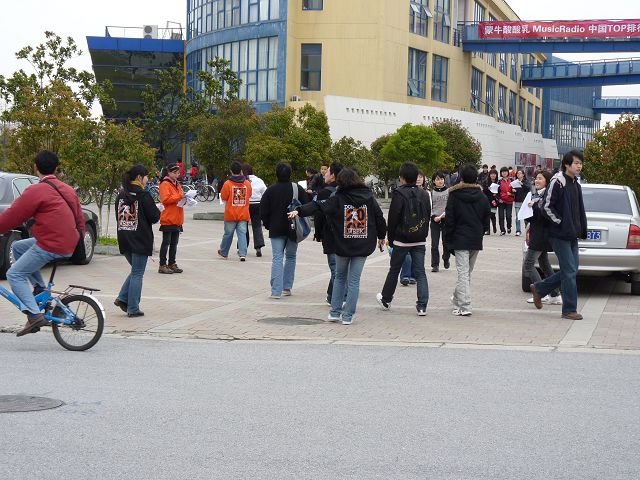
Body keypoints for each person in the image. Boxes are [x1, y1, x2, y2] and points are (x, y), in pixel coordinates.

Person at [0, 150, 85, 336]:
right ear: (56, 168)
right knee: (18, 247)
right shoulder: (68, 189)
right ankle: (39, 288)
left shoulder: (36, 190)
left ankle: (34, 315)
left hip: (51, 244)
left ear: (35, 167)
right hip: (68, 242)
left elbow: (14, 215)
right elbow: (80, 220)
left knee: (14, 274)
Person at [289, 168, 386, 325]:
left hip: (342, 244)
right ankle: (348, 316)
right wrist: (381, 236)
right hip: (362, 244)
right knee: (354, 281)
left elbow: (318, 206)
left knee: (340, 277)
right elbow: (379, 216)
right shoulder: (368, 197)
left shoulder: (338, 198)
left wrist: (299, 211)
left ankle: (334, 312)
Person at [530, 150, 587, 320]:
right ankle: (569, 309)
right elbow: (546, 207)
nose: (579, 166)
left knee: (572, 269)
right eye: (576, 163)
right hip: (559, 234)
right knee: (569, 271)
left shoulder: (575, 183)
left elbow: (578, 210)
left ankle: (539, 288)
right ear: (566, 164)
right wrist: (560, 223)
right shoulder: (558, 181)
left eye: (580, 163)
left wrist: (580, 228)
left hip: (572, 234)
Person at [376, 162, 430, 316]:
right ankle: (422, 306)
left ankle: (386, 299)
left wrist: (391, 238)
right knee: (420, 272)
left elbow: (393, 218)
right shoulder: (424, 194)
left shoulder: (399, 193)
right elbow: (427, 214)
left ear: (402, 178)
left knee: (394, 270)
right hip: (419, 239)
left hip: (402, 239)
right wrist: (423, 232)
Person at [444, 164, 491, 316]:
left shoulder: (454, 195)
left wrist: (447, 239)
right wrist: (480, 232)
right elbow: (486, 219)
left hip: (459, 238)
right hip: (475, 239)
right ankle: (457, 298)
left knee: (463, 273)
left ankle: (465, 306)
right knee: (466, 273)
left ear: (461, 178)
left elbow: (449, 220)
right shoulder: (482, 197)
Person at [115, 164, 161, 317]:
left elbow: (118, 216)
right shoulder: (143, 195)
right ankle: (133, 308)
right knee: (137, 273)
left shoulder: (121, 195)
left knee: (135, 270)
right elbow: (154, 217)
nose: (148, 179)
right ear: (140, 177)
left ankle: (122, 298)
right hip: (140, 239)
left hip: (124, 238)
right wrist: (158, 209)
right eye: (146, 176)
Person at [260, 162, 308, 298]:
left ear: (276, 174)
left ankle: (276, 291)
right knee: (291, 256)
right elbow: (306, 205)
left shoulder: (270, 190)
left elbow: (263, 211)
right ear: (290, 174)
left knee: (277, 257)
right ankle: (287, 287)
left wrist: (268, 224)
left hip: (276, 228)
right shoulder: (297, 188)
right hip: (293, 227)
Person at [523, 171, 562, 306]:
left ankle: (540, 292)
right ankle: (555, 295)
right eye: (536, 178)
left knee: (528, 264)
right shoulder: (536, 195)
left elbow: (545, 215)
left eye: (540, 178)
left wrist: (534, 207)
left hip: (541, 235)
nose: (537, 181)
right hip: (538, 233)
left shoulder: (546, 196)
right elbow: (534, 217)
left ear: (547, 181)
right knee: (544, 264)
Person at [314, 162, 344, 304]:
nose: (324, 174)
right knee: (340, 268)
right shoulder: (346, 191)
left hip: (330, 235)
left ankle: (340, 297)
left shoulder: (324, 193)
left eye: (327, 172)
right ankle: (332, 295)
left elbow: (319, 214)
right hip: (345, 235)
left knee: (335, 269)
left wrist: (318, 234)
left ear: (332, 176)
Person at [218, 161, 252, 261]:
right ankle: (242, 254)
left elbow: (223, 197)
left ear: (231, 171)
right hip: (243, 213)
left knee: (228, 234)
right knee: (242, 234)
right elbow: (249, 195)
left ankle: (224, 252)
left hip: (230, 214)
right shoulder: (247, 183)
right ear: (241, 171)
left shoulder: (227, 184)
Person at [158, 163, 185, 274]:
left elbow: (180, 196)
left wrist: (185, 199)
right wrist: (180, 197)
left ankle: (172, 263)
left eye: (178, 173)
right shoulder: (165, 184)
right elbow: (165, 199)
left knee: (174, 243)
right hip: (168, 218)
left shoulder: (177, 184)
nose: (177, 175)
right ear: (169, 173)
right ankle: (162, 265)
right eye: (175, 173)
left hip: (177, 218)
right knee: (166, 243)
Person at [243, 163, 267, 257]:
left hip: (246, 205)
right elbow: (265, 192)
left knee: (243, 226)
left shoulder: (243, 181)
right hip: (257, 205)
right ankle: (258, 247)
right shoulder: (259, 180)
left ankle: (242, 247)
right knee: (257, 226)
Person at [430, 170, 450, 272]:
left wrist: (445, 215)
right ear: (434, 181)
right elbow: (429, 207)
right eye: (438, 179)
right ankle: (435, 264)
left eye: (442, 179)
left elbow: (451, 206)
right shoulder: (431, 193)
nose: (440, 181)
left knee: (446, 242)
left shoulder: (449, 191)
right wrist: (434, 217)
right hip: (435, 220)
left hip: (446, 220)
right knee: (434, 244)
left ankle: (446, 258)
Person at [497, 166, 515, 235]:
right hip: (501, 201)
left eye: (505, 171)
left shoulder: (512, 181)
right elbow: (496, 192)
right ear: (501, 173)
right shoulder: (499, 182)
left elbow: (516, 191)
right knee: (501, 216)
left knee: (508, 216)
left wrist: (512, 193)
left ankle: (509, 227)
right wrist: (499, 199)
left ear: (508, 172)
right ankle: (502, 230)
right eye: (502, 172)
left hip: (509, 201)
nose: (504, 173)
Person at [512, 169, 530, 237]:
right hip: (517, 201)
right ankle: (518, 231)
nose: (518, 175)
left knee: (526, 217)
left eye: (520, 173)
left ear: (523, 174)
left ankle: (527, 230)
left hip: (524, 202)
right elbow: (512, 190)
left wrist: (522, 184)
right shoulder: (515, 182)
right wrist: (513, 190)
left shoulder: (526, 181)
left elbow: (528, 188)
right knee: (517, 217)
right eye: (517, 173)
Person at [482, 169, 499, 235]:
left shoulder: (498, 182)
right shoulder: (486, 182)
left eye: (494, 174)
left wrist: (496, 194)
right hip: (487, 201)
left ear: (496, 175)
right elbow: (483, 191)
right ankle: (488, 230)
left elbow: (500, 191)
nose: (493, 175)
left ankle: (494, 226)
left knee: (492, 215)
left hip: (494, 201)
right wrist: (487, 188)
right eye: (491, 174)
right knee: (487, 216)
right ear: (489, 175)